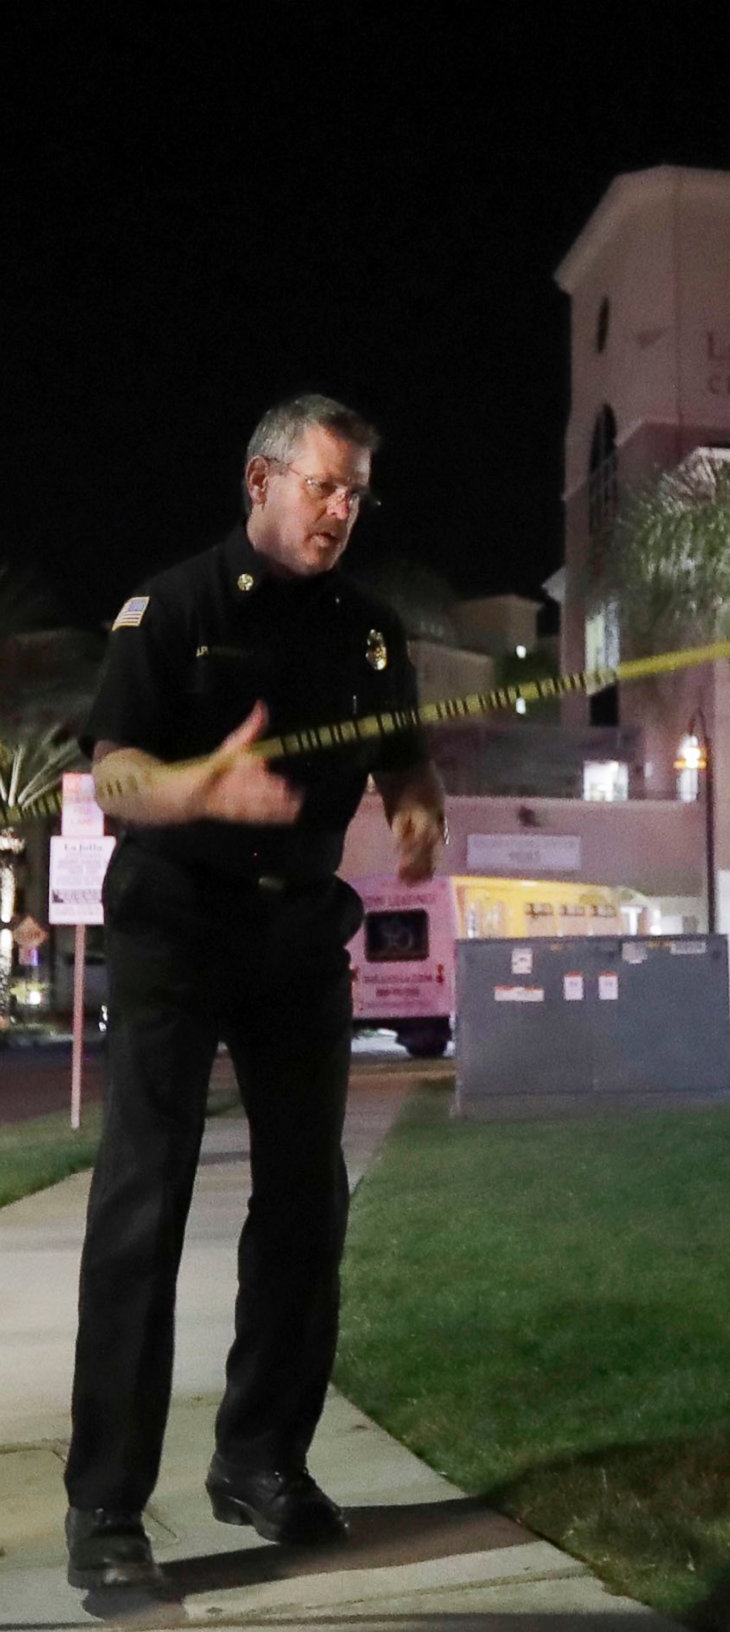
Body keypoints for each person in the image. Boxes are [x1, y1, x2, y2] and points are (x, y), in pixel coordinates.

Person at [64, 395, 445, 1594]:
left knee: (303, 1199)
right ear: (261, 480)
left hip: (296, 938)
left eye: (357, 492)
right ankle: (108, 1506)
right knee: (145, 1198)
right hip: (177, 924)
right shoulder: (169, 608)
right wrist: (200, 790)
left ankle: (262, 1460)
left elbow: (403, 748)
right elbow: (114, 771)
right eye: (327, 485)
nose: (343, 510)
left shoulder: (372, 632)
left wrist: (418, 799)